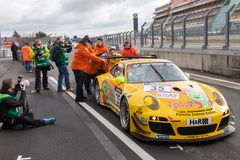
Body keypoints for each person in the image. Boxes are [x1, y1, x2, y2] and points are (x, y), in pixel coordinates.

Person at [71, 35, 105, 102]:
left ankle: (81, 96)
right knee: (79, 83)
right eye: (89, 43)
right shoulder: (83, 48)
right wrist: (101, 60)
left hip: (78, 67)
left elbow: (90, 54)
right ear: (86, 42)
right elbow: (90, 56)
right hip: (78, 67)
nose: (90, 44)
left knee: (80, 83)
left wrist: (97, 55)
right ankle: (78, 98)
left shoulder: (80, 47)